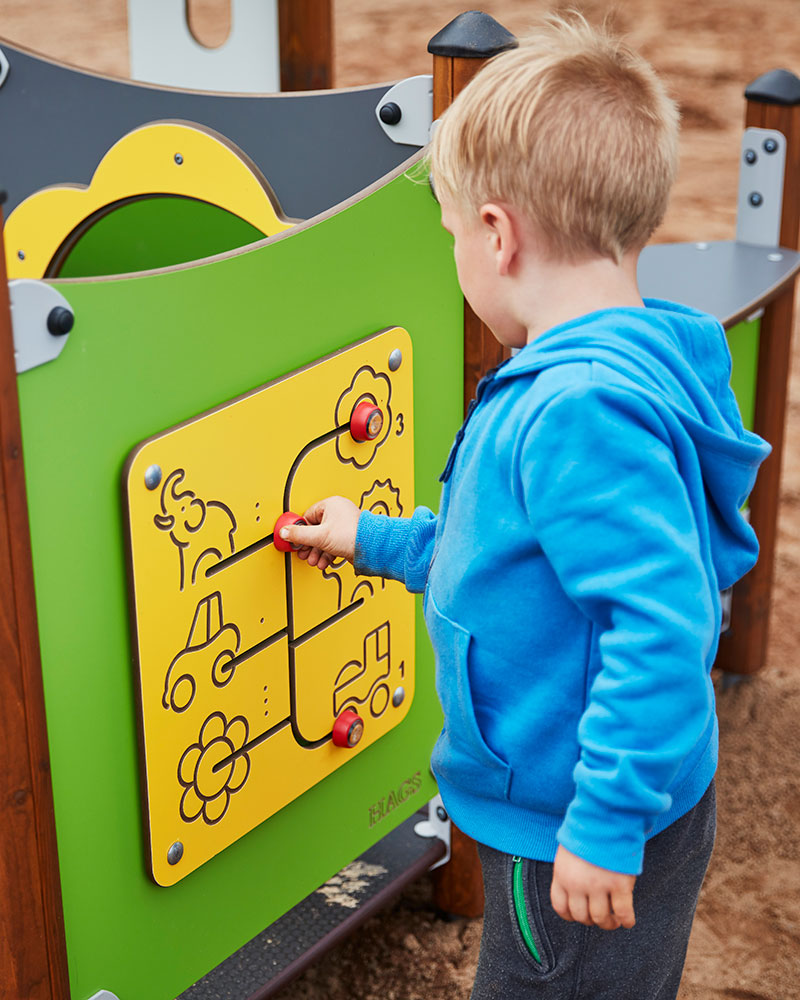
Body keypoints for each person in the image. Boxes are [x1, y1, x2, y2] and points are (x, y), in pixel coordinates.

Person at [280, 13, 770, 998]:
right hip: (620, 789)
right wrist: (370, 537)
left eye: (455, 233)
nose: (459, 257)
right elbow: (509, 560)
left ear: (496, 235)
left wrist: (599, 823)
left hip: (576, 817)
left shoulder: (574, 410)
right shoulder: (634, 360)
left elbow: (661, 618)